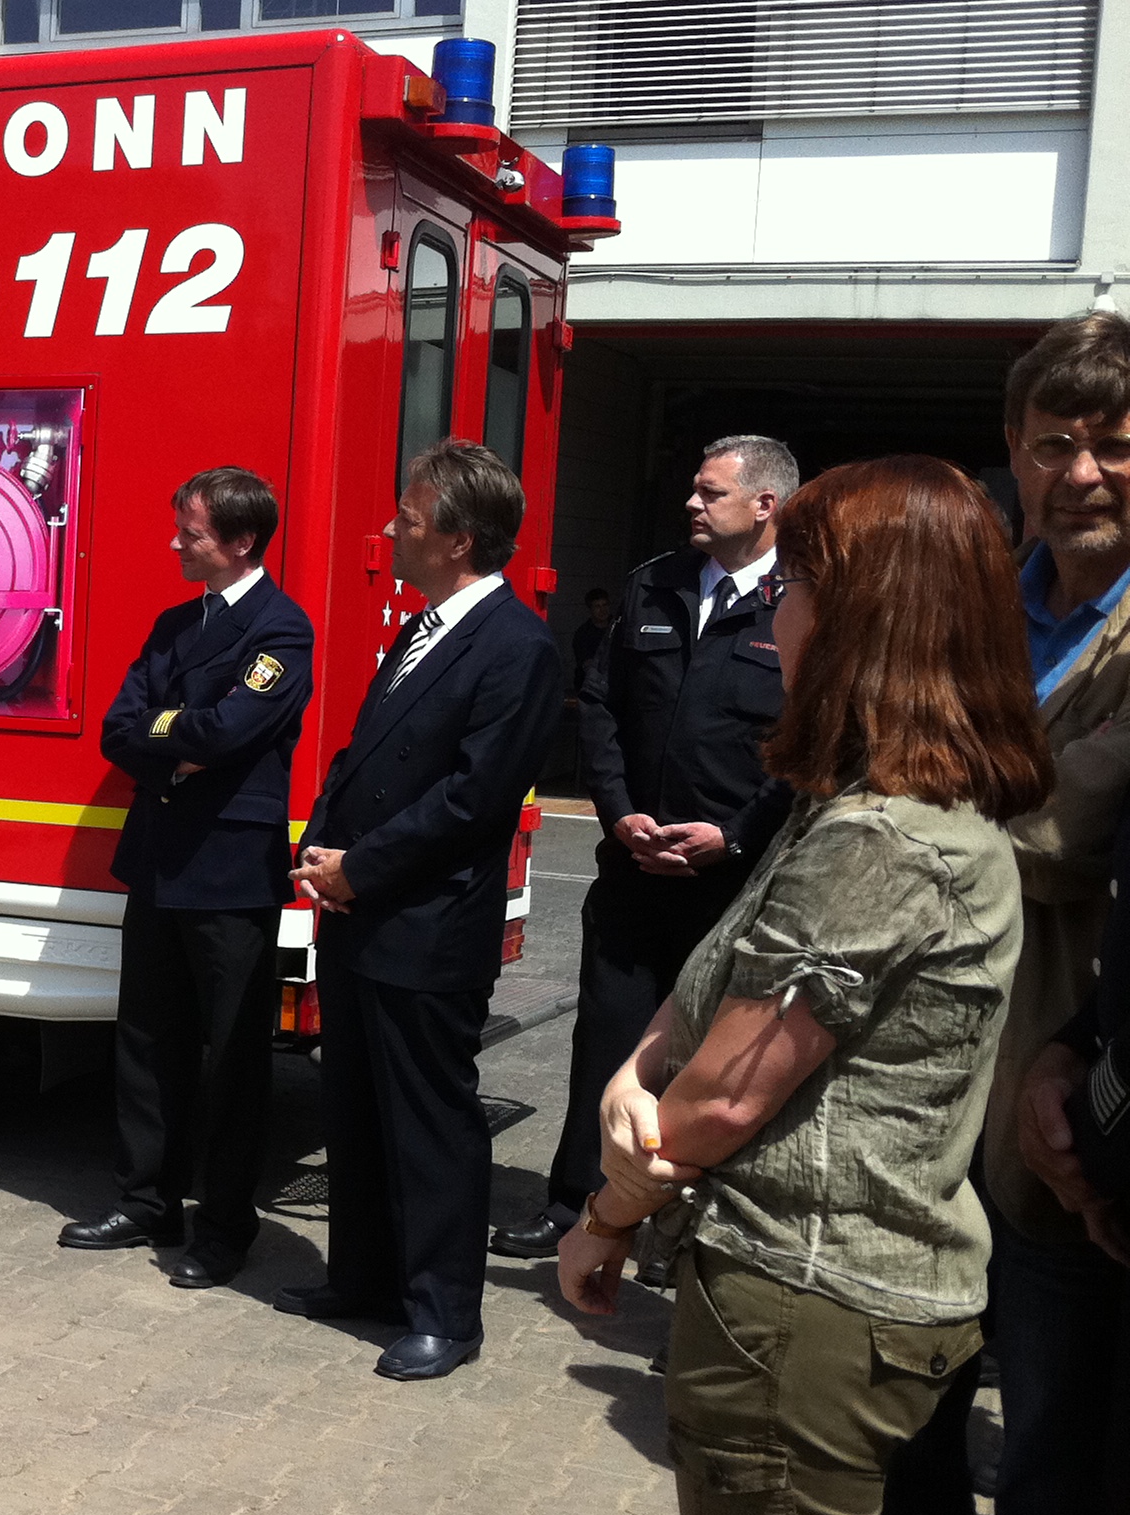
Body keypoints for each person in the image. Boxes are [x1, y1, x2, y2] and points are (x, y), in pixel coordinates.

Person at [559, 455, 1050, 1515]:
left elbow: (728, 1095)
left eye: (799, 587)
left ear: (860, 617)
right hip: (839, 1300)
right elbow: (719, 992)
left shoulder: (883, 836)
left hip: (803, 1305)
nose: (775, 611)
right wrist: (639, 1066)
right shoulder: (854, 806)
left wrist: (610, 1208)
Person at [280, 439, 565, 1380]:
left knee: (429, 1123)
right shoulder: (421, 629)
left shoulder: (516, 647)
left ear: (457, 537)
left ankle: (444, 1312)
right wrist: (321, 848)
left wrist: (361, 868)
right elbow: (363, 755)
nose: (390, 531)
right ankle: (364, 1277)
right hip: (362, 911)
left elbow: (473, 800)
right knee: (356, 1109)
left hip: (428, 923)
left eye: (407, 519)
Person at [493, 435, 796, 1262]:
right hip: (633, 870)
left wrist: (735, 836)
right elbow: (601, 708)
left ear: (765, 504)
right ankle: (578, 1206)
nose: (692, 504)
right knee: (607, 1038)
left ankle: (687, 1232)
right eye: (694, 490)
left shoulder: (806, 599)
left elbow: (806, 746)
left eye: (711, 492)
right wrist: (619, 814)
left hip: (734, 883)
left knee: (717, 1062)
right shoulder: (653, 584)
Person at [965, 309, 1130, 1515]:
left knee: (1057, 1484)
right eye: (1055, 442)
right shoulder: (982, 603)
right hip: (923, 1093)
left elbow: (1072, 828)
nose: (1083, 471)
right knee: (919, 1447)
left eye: (1116, 444)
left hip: (1058, 1106)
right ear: (1015, 453)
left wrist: (902, 804)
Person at [60, 467, 314, 1287]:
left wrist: (172, 733)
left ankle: (226, 1227)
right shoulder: (175, 624)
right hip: (161, 858)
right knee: (145, 1042)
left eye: (191, 533)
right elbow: (119, 729)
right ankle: (146, 1201)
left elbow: (235, 728)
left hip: (230, 872)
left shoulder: (281, 630)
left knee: (233, 1061)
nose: (175, 543)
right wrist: (181, 742)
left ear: (241, 541)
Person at [571, 588, 613, 693]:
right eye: (597, 606)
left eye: (605, 605)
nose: (602, 610)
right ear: (590, 609)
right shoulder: (583, 634)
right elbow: (587, 665)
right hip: (591, 687)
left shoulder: (618, 627)